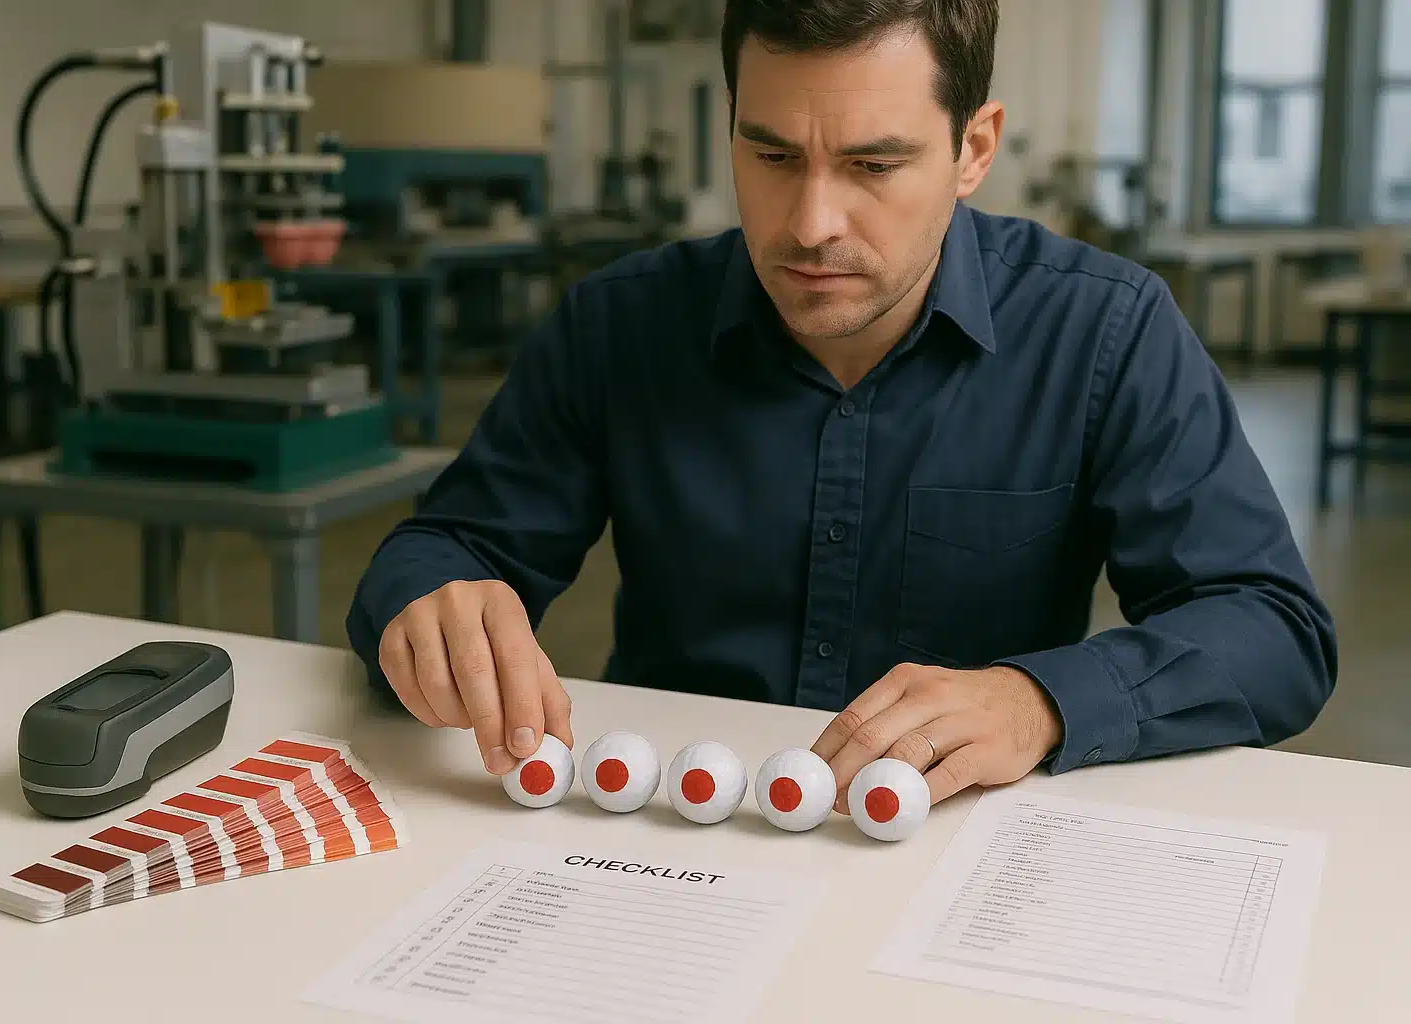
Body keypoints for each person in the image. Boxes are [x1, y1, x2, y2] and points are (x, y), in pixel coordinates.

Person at [345, 0, 1337, 813]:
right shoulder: (620, 325)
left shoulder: (1104, 332)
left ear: (974, 148)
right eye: (772, 157)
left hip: (953, 843)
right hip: (674, 832)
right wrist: (430, 605)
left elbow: (1273, 628)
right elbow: (446, 549)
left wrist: (1041, 700)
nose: (812, 224)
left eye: (872, 165)